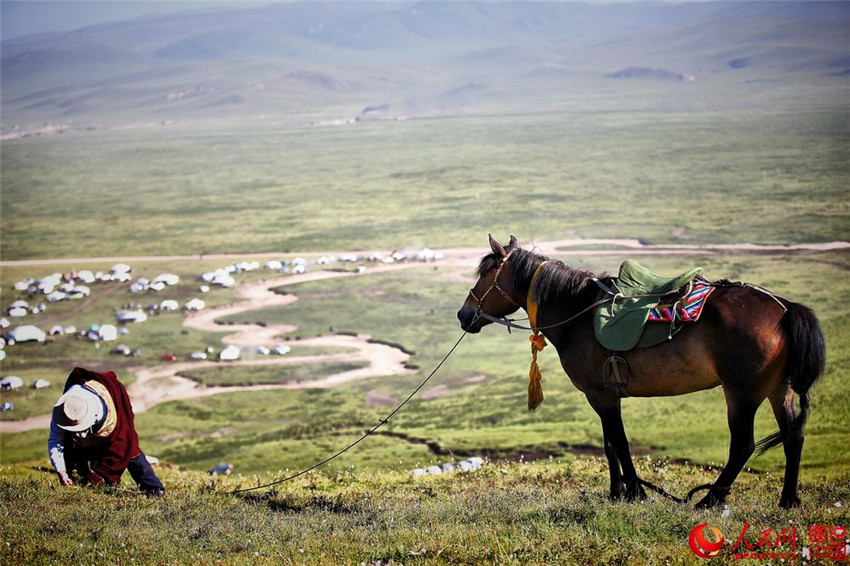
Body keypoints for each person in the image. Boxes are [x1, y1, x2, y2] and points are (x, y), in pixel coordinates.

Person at [47, 367, 164, 496]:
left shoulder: (101, 411)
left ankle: (154, 489)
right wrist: (61, 471)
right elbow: (55, 440)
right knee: (75, 446)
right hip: (89, 414)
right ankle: (81, 483)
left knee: (128, 447)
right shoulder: (65, 409)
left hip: (113, 400)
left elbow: (117, 443)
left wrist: (101, 475)